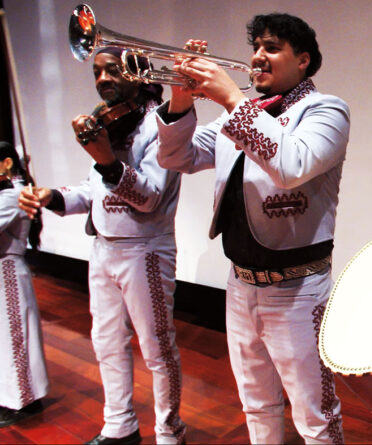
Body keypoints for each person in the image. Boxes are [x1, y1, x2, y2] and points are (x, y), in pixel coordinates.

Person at [155, 13, 347, 445]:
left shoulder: (326, 110)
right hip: (239, 285)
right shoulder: (238, 117)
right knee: (255, 403)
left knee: (316, 415)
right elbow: (176, 158)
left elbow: (291, 166)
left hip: (297, 289)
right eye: (256, 46)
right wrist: (181, 99)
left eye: (272, 47)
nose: (258, 56)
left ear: (303, 61)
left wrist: (229, 99)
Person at [18, 48, 184, 445]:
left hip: (144, 250)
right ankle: (120, 425)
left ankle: (169, 432)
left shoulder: (162, 126)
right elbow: (92, 193)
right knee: (106, 342)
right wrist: (52, 197)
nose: (102, 79)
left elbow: (149, 198)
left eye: (112, 70)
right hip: (103, 249)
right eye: (96, 72)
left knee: (157, 349)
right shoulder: (105, 124)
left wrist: (109, 161)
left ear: (140, 75)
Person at [0, 142, 47, 428]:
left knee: (16, 337)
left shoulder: (13, 195)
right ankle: (12, 396)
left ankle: (24, 401)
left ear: (6, 164)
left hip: (7, 273)